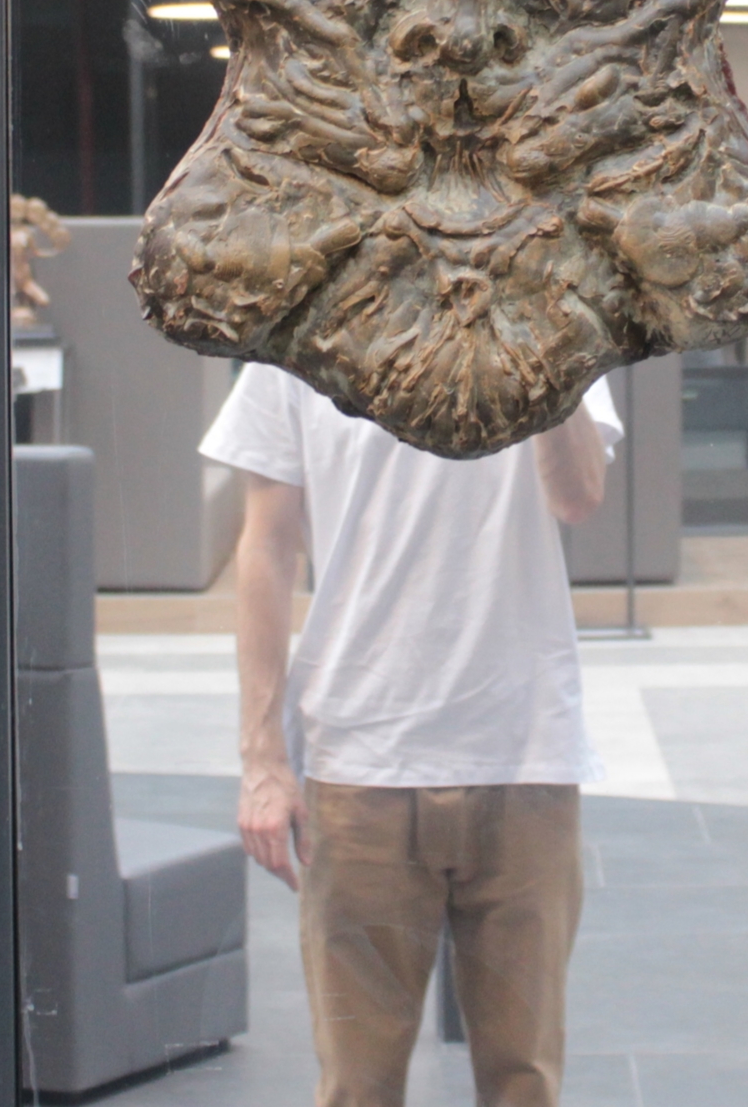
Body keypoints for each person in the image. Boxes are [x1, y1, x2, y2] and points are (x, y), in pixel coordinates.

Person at [199, 365, 622, 1107]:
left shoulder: (557, 321)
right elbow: (265, 548)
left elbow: (578, 495)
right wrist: (262, 757)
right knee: (357, 1086)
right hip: (359, 758)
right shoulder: (301, 327)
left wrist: (546, 348)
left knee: (525, 1080)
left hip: (521, 750)